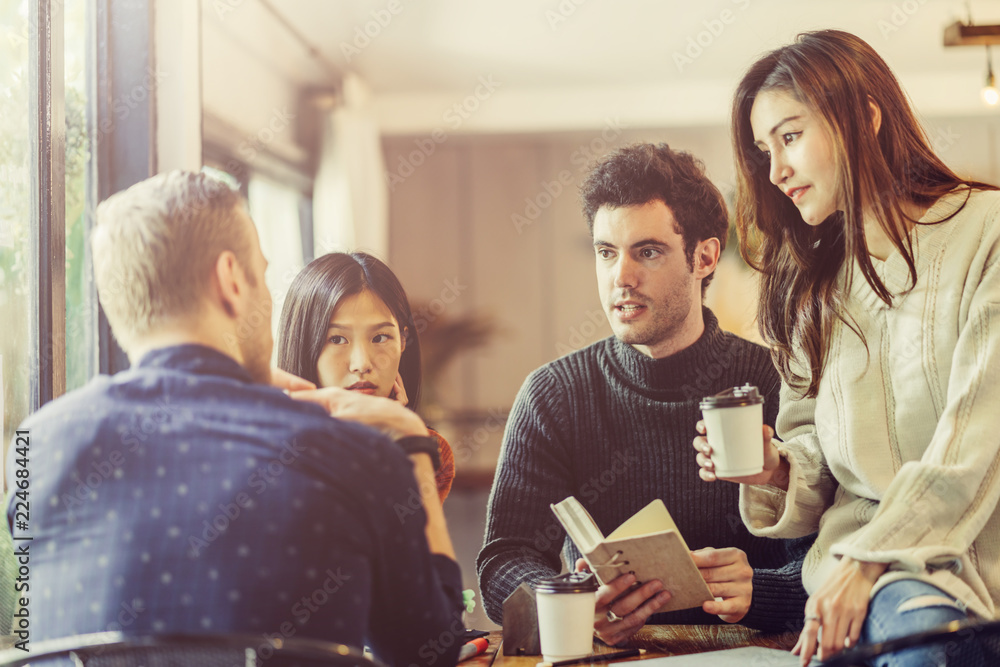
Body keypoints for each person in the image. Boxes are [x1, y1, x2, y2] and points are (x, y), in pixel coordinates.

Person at [10, 171, 465, 667]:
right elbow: (431, 654)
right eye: (263, 276)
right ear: (231, 280)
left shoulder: (35, 445)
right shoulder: (356, 456)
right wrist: (413, 451)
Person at [694, 29, 1000, 667]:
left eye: (790, 136)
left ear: (863, 116)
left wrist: (871, 560)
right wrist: (773, 469)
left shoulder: (986, 236)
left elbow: (976, 443)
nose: (774, 171)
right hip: (855, 590)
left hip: (935, 580)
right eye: (763, 150)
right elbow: (819, 463)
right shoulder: (813, 290)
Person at [478, 142, 812, 645]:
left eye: (647, 252)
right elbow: (502, 560)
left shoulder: (777, 381)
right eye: (607, 253)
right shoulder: (553, 395)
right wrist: (568, 604)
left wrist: (761, 591)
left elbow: (837, 558)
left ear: (704, 256)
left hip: (754, 653)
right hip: (610, 656)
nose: (621, 278)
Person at [276, 252, 455, 502]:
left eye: (380, 337)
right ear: (304, 345)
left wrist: (393, 445)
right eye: (337, 339)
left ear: (404, 340)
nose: (361, 364)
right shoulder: (274, 453)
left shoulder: (427, 451)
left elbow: (400, 540)